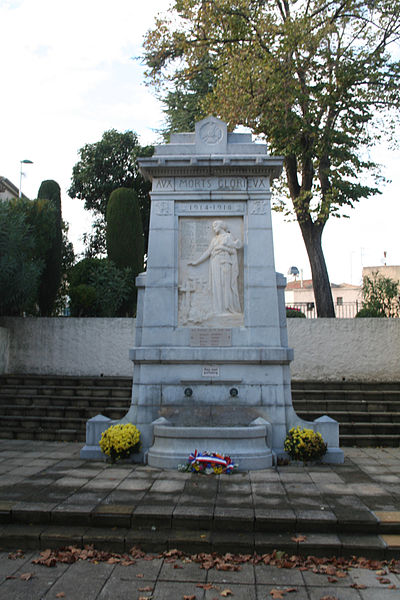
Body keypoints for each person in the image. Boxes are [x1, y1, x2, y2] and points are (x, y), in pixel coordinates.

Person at [188, 220, 242, 315]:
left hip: (225, 262)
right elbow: (208, 252)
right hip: (215, 263)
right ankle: (218, 310)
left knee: (225, 285)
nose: (213, 228)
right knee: (217, 286)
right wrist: (196, 262)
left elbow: (234, 251)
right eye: (213, 226)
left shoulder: (228, 237)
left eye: (215, 226)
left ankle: (228, 309)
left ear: (221, 226)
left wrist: (221, 248)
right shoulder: (215, 239)